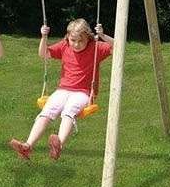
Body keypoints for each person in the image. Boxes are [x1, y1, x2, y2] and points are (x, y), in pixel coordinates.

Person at [9, 18, 114, 160]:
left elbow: (118, 47)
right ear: (68, 37)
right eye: (73, 40)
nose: (76, 44)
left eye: (81, 41)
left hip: (83, 93)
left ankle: (59, 144)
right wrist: (44, 37)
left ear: (88, 38)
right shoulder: (65, 46)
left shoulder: (95, 47)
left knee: (68, 111)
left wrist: (102, 35)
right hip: (63, 90)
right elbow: (43, 54)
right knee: (46, 112)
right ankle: (27, 146)